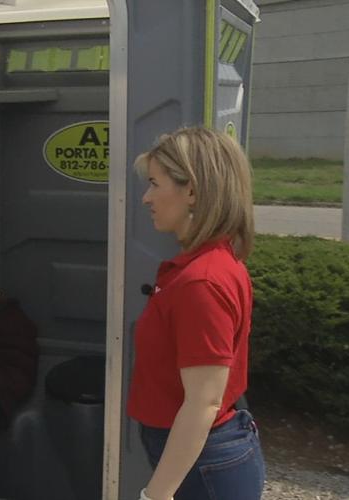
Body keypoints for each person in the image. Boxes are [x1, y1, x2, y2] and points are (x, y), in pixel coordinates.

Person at [127, 127, 265, 500]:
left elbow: (203, 401)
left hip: (206, 464)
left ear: (191, 191)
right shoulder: (207, 265)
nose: (146, 198)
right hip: (205, 456)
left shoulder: (200, 282)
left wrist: (156, 495)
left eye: (155, 184)